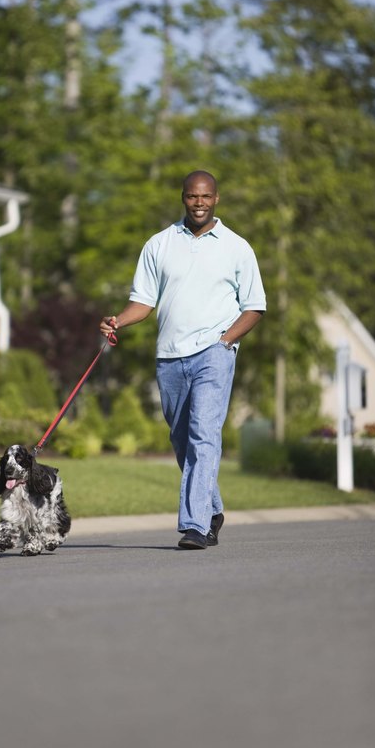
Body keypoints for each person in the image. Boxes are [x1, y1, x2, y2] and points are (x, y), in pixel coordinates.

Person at [100, 170, 266, 550]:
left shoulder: (237, 247)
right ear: (183, 198)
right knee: (181, 441)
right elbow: (143, 301)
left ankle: (195, 525)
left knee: (204, 436)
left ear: (217, 199)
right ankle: (213, 510)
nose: (199, 203)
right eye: (192, 196)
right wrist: (118, 321)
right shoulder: (158, 244)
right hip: (170, 357)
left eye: (206, 196)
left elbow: (255, 307)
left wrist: (226, 342)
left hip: (214, 353)